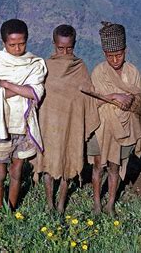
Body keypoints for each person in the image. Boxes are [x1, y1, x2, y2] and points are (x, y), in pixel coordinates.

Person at [31, 24, 100, 213]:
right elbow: (35, 93)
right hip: (48, 126)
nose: (65, 52)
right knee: (47, 164)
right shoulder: (44, 67)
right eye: (61, 48)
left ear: (74, 44)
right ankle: (49, 204)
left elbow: (88, 95)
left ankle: (61, 205)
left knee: (68, 163)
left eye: (69, 48)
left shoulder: (80, 67)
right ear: (54, 44)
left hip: (72, 124)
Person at [0, 19, 47, 210]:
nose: (17, 48)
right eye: (12, 45)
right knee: (0, 173)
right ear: (4, 43)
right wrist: (21, 89)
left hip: (24, 125)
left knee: (17, 171)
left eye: (21, 43)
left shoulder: (34, 63)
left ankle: (11, 208)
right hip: (2, 125)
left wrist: (8, 85)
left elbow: (35, 92)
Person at [88, 21, 141, 216]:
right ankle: (97, 204)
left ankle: (111, 204)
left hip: (125, 128)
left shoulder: (133, 72)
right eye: (110, 56)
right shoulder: (98, 72)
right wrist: (115, 97)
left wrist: (131, 99)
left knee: (115, 167)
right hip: (101, 127)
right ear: (104, 54)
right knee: (98, 166)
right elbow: (94, 102)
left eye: (119, 55)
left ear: (126, 50)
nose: (115, 60)